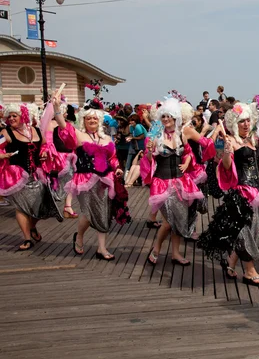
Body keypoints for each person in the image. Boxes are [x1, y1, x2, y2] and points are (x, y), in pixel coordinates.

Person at [197, 102, 259, 286]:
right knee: (247, 231)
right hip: (243, 193)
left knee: (250, 230)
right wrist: (226, 151)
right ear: (234, 124)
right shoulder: (231, 141)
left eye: (248, 120)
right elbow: (226, 166)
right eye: (242, 122)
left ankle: (231, 264)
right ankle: (249, 271)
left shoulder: (252, 140)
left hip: (258, 191)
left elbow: (254, 163)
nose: (246, 124)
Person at [54, 96, 129, 260]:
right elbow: (62, 125)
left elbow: (113, 158)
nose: (92, 120)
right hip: (85, 180)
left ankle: (101, 248)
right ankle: (79, 236)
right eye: (89, 118)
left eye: (95, 118)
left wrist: (117, 168)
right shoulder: (78, 135)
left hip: (105, 181)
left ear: (100, 120)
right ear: (84, 120)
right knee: (88, 213)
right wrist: (57, 109)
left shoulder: (107, 138)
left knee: (103, 212)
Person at [141, 98, 204, 266]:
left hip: (180, 183)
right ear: (160, 118)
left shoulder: (181, 135)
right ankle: (156, 248)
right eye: (164, 116)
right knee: (168, 222)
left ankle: (176, 253)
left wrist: (187, 162)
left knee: (179, 220)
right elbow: (148, 162)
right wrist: (149, 152)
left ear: (175, 117)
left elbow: (189, 152)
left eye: (169, 116)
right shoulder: (155, 137)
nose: (166, 119)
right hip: (162, 183)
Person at [0, 103, 63, 251]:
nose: (11, 119)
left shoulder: (35, 131)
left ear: (24, 116)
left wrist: (44, 153)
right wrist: (4, 155)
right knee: (21, 207)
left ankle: (33, 227)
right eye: (9, 116)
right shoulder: (6, 132)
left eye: (14, 116)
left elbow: (45, 145)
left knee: (40, 206)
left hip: (35, 174)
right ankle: (27, 238)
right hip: (16, 176)